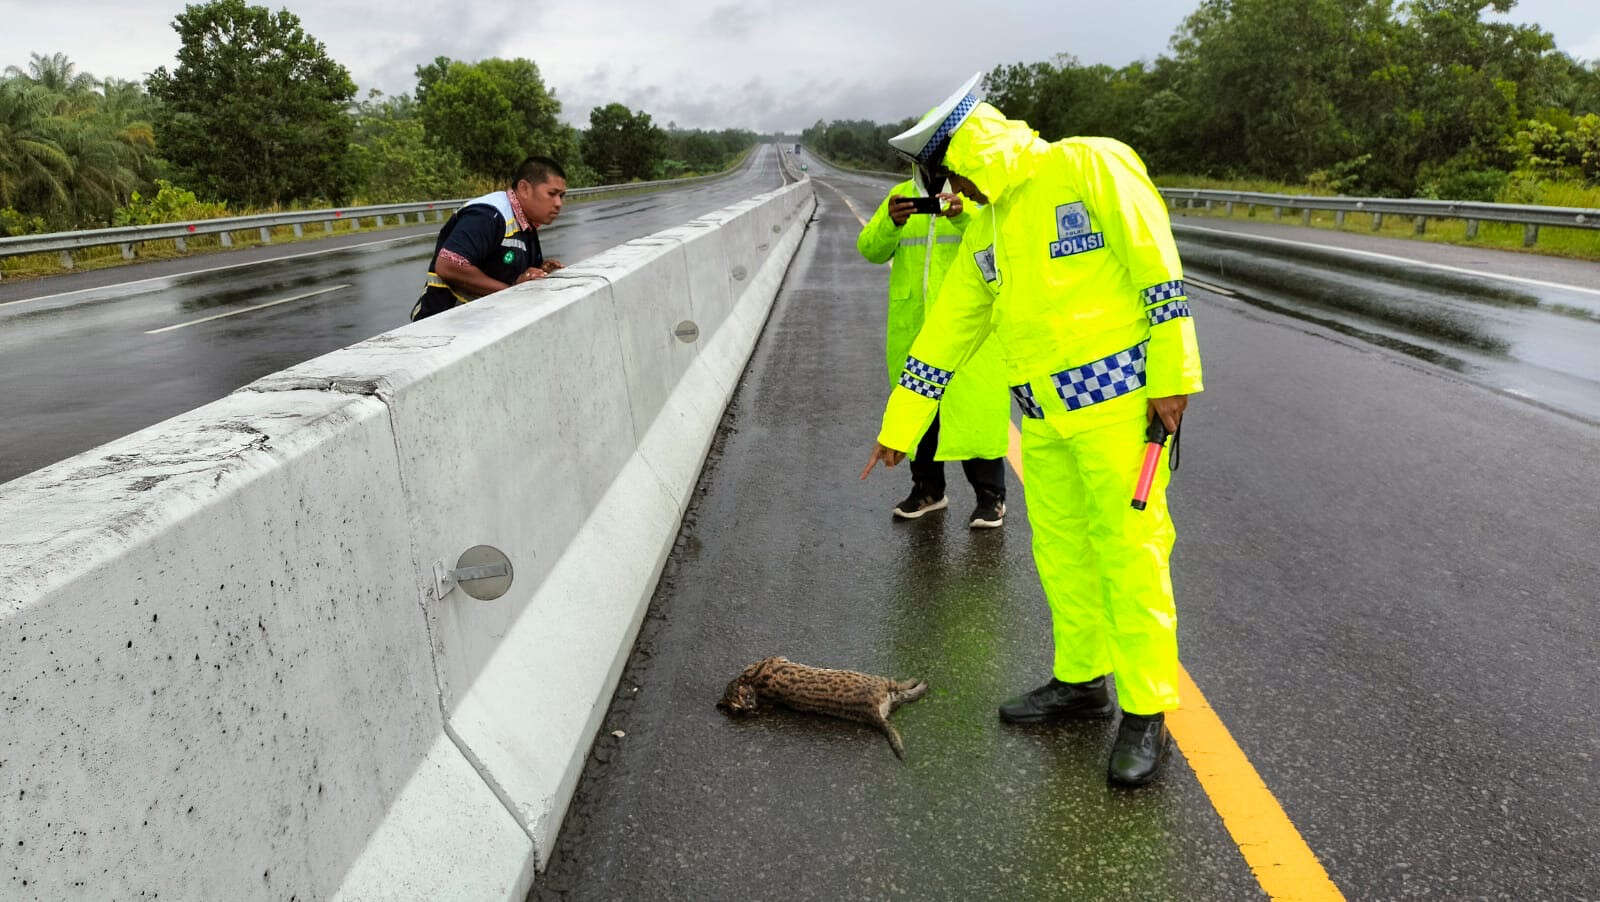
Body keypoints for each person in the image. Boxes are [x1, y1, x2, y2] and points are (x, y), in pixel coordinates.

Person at [859, 74, 1204, 786]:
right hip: (1043, 420)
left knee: (1131, 556)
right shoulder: (984, 230)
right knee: (1062, 555)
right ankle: (1081, 682)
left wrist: (1174, 375)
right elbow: (944, 336)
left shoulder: (1087, 163)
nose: (949, 196)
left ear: (967, 155)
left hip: (1119, 414)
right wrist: (901, 423)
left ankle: (1147, 713)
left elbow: (1157, 265)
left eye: (946, 177)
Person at [856, 163, 1010, 527]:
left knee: (976, 413)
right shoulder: (900, 196)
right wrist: (890, 222)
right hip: (912, 326)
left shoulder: (974, 197)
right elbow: (870, 250)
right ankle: (927, 491)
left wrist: (962, 214)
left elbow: (1001, 245)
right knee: (920, 414)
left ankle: (991, 498)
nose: (930, 168)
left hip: (968, 328)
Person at [411, 155, 568, 321]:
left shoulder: (526, 224)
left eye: (561, 196)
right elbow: (448, 265)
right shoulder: (489, 215)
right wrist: (510, 290)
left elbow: (506, 269)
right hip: (441, 324)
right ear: (524, 189)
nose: (558, 203)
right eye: (552, 194)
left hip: (477, 323)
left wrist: (538, 271)